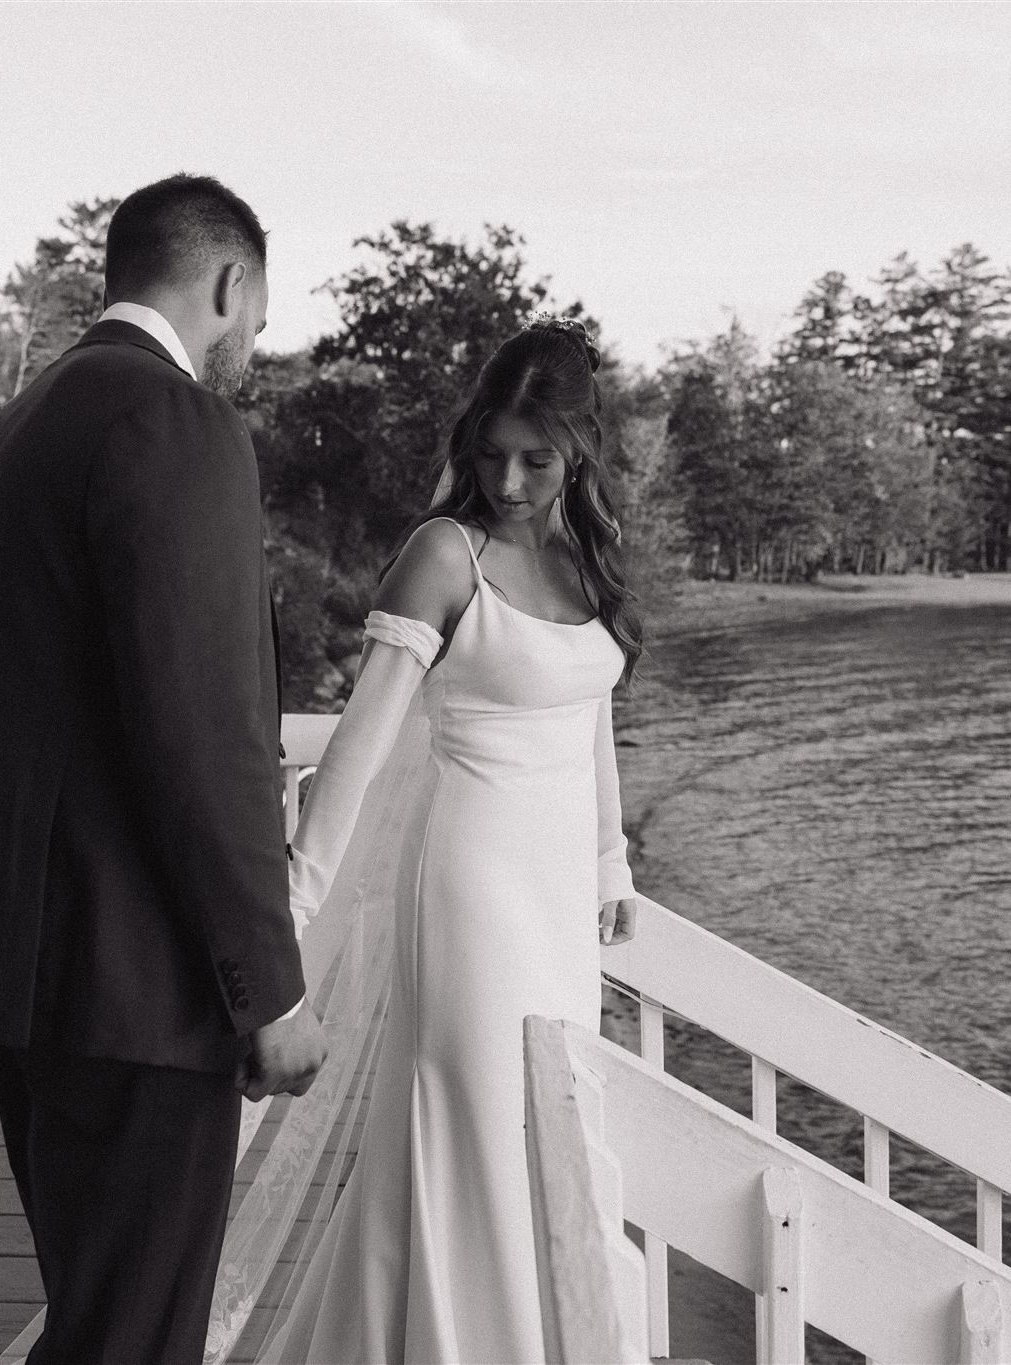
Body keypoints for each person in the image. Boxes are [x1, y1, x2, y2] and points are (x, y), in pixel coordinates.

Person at [0, 173, 327, 1365]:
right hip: (129, 980)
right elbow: (203, 731)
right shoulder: (173, 423)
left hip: (20, 968)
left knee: (97, 1318)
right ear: (228, 283)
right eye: (256, 310)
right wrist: (269, 987)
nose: (251, 339)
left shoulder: (13, 430)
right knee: (135, 1336)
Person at [216, 318, 644, 1363]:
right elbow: (359, 748)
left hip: (553, 904)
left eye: (535, 459)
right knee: (473, 1132)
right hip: (466, 888)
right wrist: (295, 910)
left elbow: (587, 716)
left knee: (545, 1127)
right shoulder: (443, 552)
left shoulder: (585, 556)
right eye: (491, 452)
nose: (507, 478)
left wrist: (608, 860)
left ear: (578, 451)